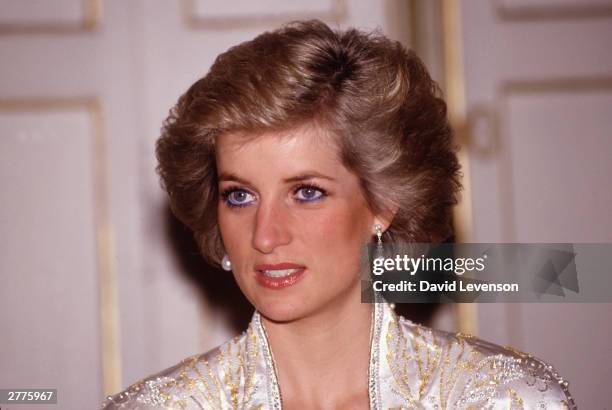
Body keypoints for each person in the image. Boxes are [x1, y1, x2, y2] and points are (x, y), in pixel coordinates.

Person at [101, 20, 575, 409]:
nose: (265, 237)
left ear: (383, 203)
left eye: (306, 192)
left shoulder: (504, 400)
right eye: (240, 196)